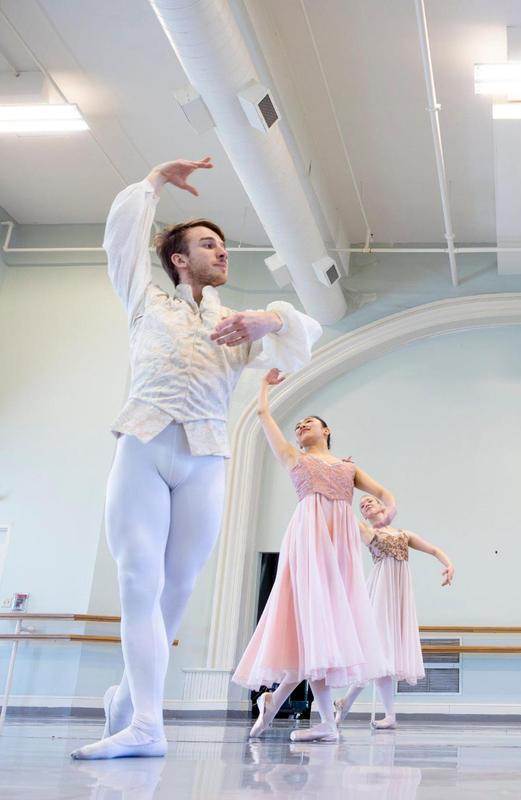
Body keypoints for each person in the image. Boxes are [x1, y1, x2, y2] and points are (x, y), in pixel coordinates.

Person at [72, 158, 321, 760]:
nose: (222, 251)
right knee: (139, 580)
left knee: (176, 591)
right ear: (179, 259)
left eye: (224, 244)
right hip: (144, 447)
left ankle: (129, 702)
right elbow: (122, 239)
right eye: (208, 244)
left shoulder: (239, 324)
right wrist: (154, 180)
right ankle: (147, 727)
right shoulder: (144, 300)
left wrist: (274, 316)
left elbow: (305, 340)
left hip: (206, 458)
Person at [234, 369, 395, 743]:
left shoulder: (348, 468)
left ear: (326, 431)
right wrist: (263, 386)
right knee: (315, 621)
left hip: (339, 549)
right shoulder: (294, 458)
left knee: (322, 628)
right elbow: (263, 417)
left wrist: (389, 512)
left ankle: (273, 703)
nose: (301, 426)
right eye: (299, 424)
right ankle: (325, 723)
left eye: (310, 422)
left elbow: (386, 494)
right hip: (308, 541)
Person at [333, 495, 454, 730]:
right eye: (362, 505)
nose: (366, 503)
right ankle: (379, 713)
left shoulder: (404, 534)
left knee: (383, 656)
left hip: (398, 597)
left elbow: (433, 549)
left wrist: (449, 564)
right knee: (379, 654)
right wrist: (345, 479)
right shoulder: (367, 532)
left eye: (370, 500)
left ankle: (349, 704)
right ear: (364, 515)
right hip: (379, 595)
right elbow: (343, 509)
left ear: (382, 506)